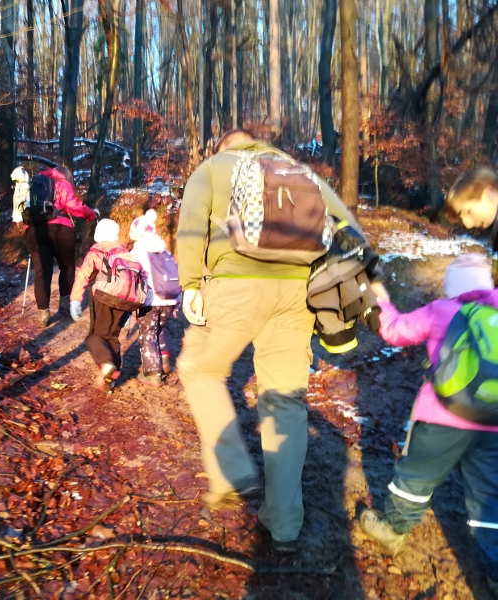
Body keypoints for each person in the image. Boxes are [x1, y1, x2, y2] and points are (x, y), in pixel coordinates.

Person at [175, 129, 360, 553]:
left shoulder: (216, 167)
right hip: (300, 296)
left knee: (200, 368)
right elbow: (349, 227)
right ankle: (284, 524)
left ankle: (232, 471)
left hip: (235, 285)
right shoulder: (300, 172)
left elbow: (190, 225)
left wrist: (189, 284)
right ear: (258, 144)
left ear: (223, 147)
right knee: (285, 400)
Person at [361, 255, 498, 595]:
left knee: (416, 475)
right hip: (493, 423)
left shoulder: (441, 310)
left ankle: (394, 529)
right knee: (489, 495)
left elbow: (394, 331)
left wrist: (378, 294)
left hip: (441, 418)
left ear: (452, 286)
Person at [26, 165, 99, 327]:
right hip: (60, 228)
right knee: (67, 266)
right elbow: (72, 204)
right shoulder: (61, 183)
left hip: (34, 231)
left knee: (41, 273)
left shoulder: (34, 184)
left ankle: (43, 313)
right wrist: (91, 214)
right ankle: (65, 305)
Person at [69, 219, 130, 392]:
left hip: (102, 297)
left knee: (96, 337)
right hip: (123, 299)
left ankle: (107, 364)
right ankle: (110, 381)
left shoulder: (96, 252)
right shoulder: (125, 253)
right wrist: (129, 313)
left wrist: (75, 300)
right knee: (112, 336)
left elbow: (83, 276)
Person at [129, 209, 179, 387]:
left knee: (147, 335)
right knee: (158, 330)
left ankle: (152, 374)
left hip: (150, 301)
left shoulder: (138, 252)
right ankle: (164, 360)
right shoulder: (164, 250)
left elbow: (132, 277)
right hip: (169, 299)